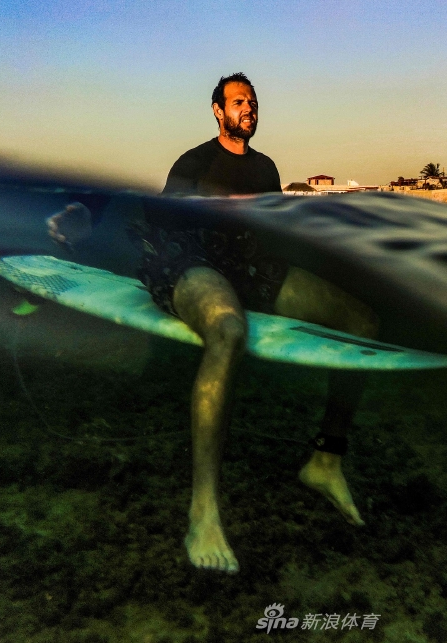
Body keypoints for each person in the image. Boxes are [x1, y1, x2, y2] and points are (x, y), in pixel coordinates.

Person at [136, 73, 378, 574]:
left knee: (361, 321)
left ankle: (326, 460)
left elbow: (272, 231)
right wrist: (220, 209)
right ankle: (203, 510)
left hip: (248, 267)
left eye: (252, 101)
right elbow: (161, 217)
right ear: (217, 110)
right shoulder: (194, 162)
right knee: (228, 331)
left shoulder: (265, 167)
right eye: (238, 101)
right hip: (191, 263)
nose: (248, 107)